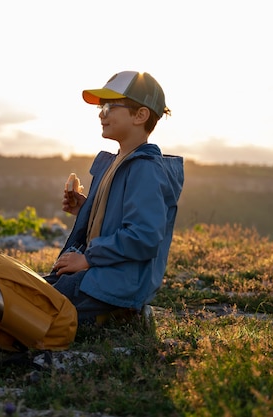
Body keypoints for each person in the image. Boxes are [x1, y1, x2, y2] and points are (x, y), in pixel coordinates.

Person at [46, 71, 184, 326]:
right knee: (23, 290)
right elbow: (121, 219)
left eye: (110, 106)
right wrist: (86, 209)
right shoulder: (117, 161)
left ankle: (121, 314)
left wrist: (88, 258)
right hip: (100, 274)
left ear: (140, 115)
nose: (101, 114)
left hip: (115, 286)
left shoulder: (144, 169)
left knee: (29, 308)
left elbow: (144, 237)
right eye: (101, 107)